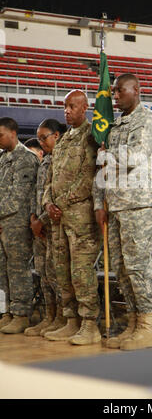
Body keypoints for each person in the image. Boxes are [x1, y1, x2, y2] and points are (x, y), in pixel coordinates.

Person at [93, 73, 152, 350]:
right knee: (122, 270)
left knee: (138, 266)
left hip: (139, 203)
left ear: (136, 89)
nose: (114, 96)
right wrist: (101, 203)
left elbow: (133, 159)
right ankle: (134, 323)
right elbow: (103, 170)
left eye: (119, 91)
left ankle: (147, 327)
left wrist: (104, 156)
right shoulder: (116, 125)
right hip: (117, 205)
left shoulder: (147, 120)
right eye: (113, 92)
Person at [42, 90, 102, 345]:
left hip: (80, 218)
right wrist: (48, 203)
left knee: (81, 272)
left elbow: (89, 176)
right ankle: (71, 321)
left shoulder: (92, 137)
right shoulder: (64, 140)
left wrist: (62, 203)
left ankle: (90, 325)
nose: (67, 111)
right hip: (58, 217)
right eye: (65, 106)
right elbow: (50, 177)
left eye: (72, 106)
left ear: (85, 108)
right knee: (62, 270)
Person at [24, 119, 67, 337]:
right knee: (43, 273)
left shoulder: (62, 158)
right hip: (39, 224)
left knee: (56, 274)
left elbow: (56, 195)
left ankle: (63, 317)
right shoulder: (46, 160)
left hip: (53, 224)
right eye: (38, 138)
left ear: (57, 135)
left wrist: (41, 219)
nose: (41, 143)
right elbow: (37, 193)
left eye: (44, 138)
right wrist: (33, 217)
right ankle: (49, 317)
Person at [0, 117, 39, 333]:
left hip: (16, 223)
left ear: (13, 133)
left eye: (1, 134)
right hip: (2, 221)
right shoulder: (2, 159)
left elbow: (19, 196)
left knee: (17, 269)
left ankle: (22, 313)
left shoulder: (26, 159)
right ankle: (6, 311)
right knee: (2, 270)